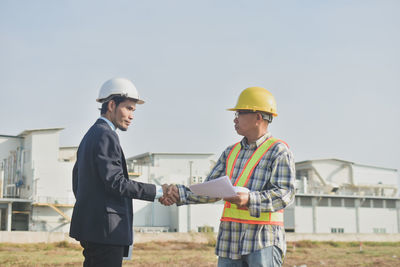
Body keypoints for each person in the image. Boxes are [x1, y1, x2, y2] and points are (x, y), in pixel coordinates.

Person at [165, 86, 295, 267]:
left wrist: (250, 198)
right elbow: (210, 190)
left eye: (240, 113)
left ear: (258, 117)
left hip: (263, 241)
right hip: (230, 242)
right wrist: (178, 193)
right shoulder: (230, 152)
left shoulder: (278, 151)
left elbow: (285, 194)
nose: (235, 119)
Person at [69, 77, 178, 267]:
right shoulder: (106, 135)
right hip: (106, 233)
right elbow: (116, 182)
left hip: (93, 230)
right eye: (128, 108)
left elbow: (77, 180)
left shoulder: (90, 135)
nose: (131, 115)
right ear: (111, 105)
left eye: (133, 110)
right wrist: (159, 191)